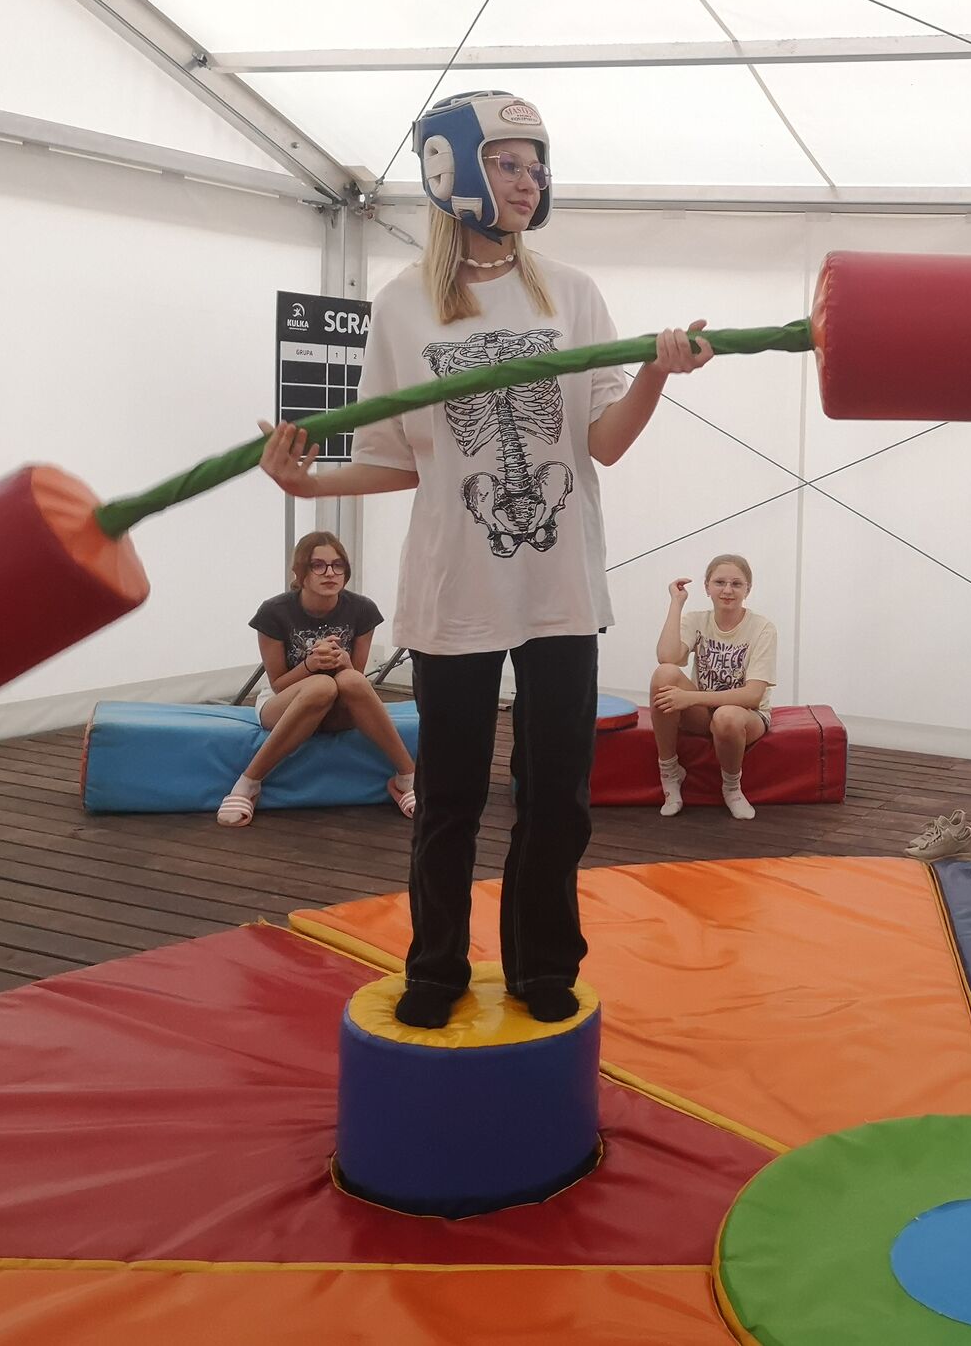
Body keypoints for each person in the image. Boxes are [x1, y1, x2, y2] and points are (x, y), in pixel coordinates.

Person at [257, 90, 711, 1027]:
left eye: (536, 165)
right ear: (454, 169)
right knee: (451, 794)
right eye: (508, 163)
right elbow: (396, 459)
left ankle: (544, 960)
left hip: (558, 587)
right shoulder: (403, 304)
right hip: (455, 587)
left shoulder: (571, 293)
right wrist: (307, 482)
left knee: (558, 796)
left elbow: (605, 442)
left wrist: (656, 374)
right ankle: (436, 964)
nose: (529, 180)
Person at [218, 532, 414, 827]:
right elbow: (278, 684)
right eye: (318, 565)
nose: (330, 573)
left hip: (339, 706)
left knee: (349, 681)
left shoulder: (362, 610)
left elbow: (357, 678)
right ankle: (249, 783)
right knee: (321, 686)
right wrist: (310, 665)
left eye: (337, 565)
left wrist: (344, 662)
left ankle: (407, 777)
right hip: (283, 703)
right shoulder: (274, 612)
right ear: (300, 572)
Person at [650, 556, 776, 821]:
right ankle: (669, 772)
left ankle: (732, 788)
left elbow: (753, 696)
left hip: (746, 716)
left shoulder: (762, 628)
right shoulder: (697, 620)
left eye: (736, 584)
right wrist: (676, 603)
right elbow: (666, 657)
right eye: (719, 582)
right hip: (704, 713)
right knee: (665, 674)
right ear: (707, 587)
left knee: (726, 715)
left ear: (748, 589)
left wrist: (691, 697)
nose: (727, 590)